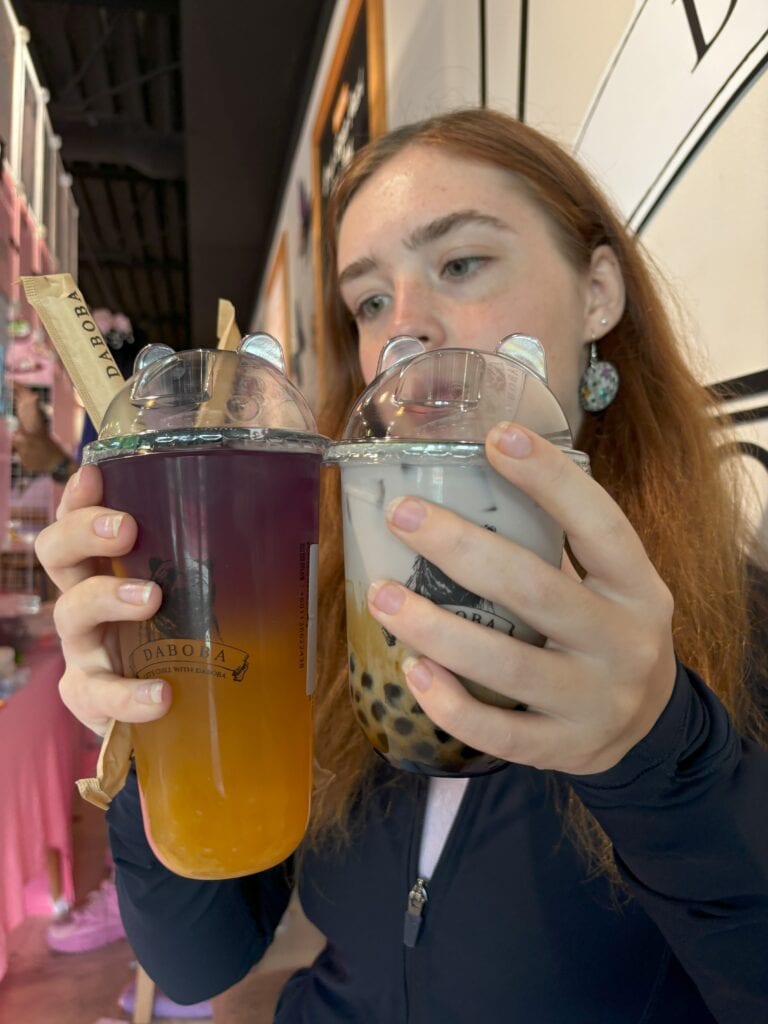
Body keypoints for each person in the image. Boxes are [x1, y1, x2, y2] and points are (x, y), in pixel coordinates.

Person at [34, 109, 767, 1022]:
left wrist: (661, 755)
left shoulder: (743, 626)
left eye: (460, 264)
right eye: (369, 301)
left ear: (598, 293)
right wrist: (156, 700)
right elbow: (197, 957)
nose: (404, 334)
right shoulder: (328, 604)